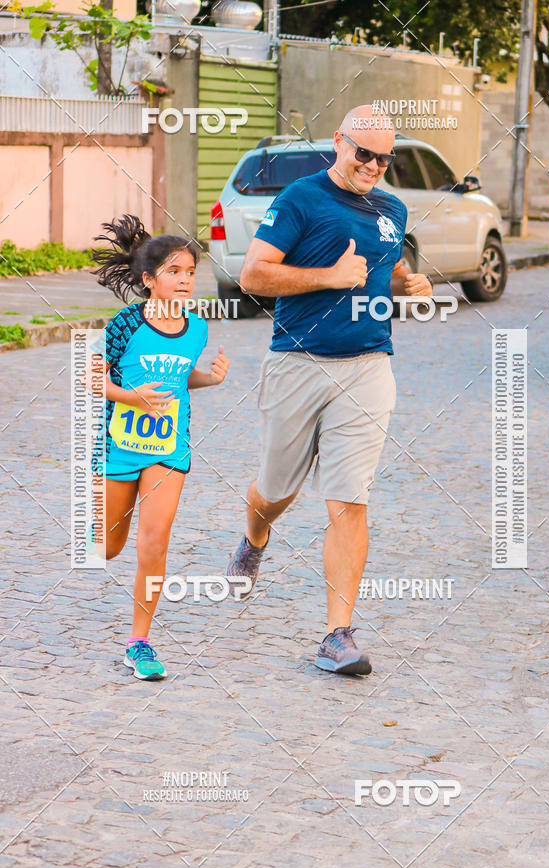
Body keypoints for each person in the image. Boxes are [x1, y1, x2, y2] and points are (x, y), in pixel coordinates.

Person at [227, 105, 433, 676]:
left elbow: (383, 266)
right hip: (297, 362)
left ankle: (337, 635)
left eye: (384, 157)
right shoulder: (301, 198)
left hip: (368, 366)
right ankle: (254, 538)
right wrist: (328, 278)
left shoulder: (392, 208)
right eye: (363, 152)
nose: (373, 165)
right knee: (276, 489)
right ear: (339, 142)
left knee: (349, 498)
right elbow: (252, 275)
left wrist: (406, 283)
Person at [89, 214, 230, 680]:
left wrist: (209, 378)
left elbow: (179, 379)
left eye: (190, 272)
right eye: (174, 272)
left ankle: (140, 642)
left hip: (169, 447)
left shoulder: (197, 328)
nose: (185, 280)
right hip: (118, 444)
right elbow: (90, 376)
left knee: (154, 543)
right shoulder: (125, 324)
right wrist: (130, 397)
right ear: (149, 280)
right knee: (107, 547)